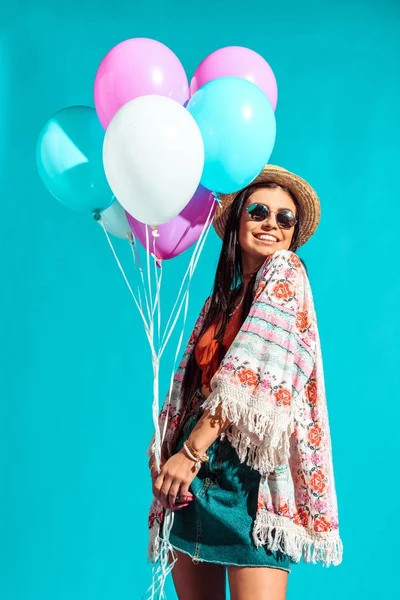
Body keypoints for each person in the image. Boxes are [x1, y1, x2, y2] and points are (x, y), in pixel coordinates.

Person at [147, 165, 343, 600]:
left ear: (293, 234)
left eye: (284, 218)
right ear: (237, 222)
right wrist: (166, 449)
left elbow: (247, 373)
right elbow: (191, 386)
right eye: (258, 211)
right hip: (191, 473)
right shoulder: (219, 303)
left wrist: (191, 452)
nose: (271, 223)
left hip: (248, 481)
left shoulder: (286, 273)